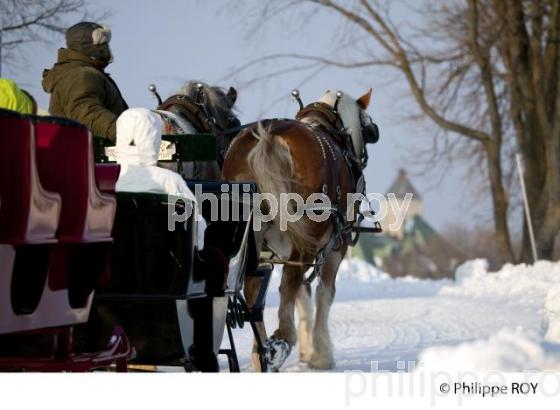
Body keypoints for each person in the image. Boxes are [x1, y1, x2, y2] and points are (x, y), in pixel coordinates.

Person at [114, 107, 205, 249]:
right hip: (163, 263)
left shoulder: (106, 179)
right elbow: (196, 225)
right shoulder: (170, 181)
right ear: (154, 139)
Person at [42, 22, 128, 142]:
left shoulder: (85, 72)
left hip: (98, 153)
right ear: (86, 45)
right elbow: (87, 114)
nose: (105, 45)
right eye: (101, 41)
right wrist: (130, 135)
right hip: (91, 156)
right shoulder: (80, 75)